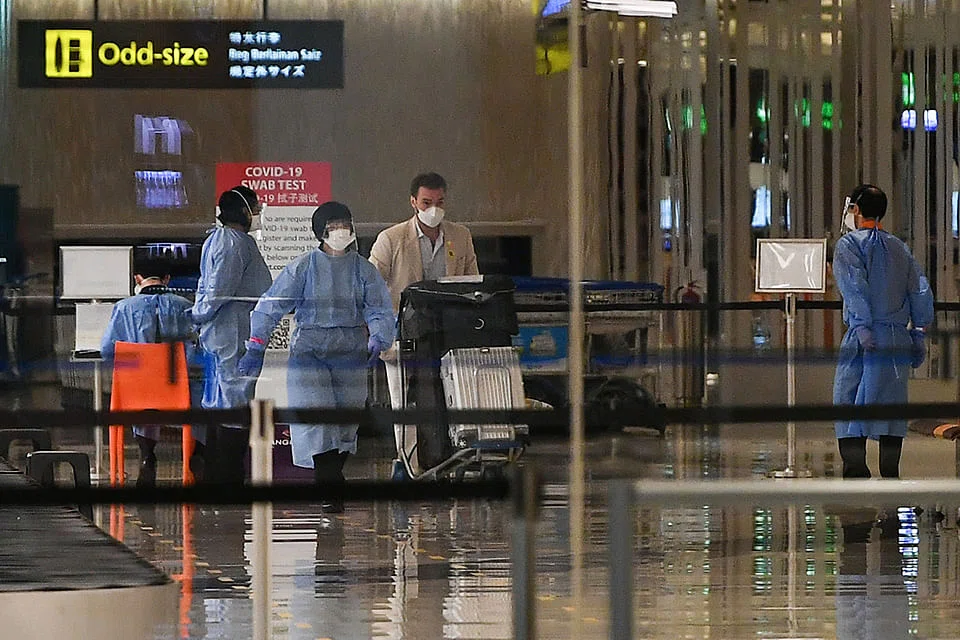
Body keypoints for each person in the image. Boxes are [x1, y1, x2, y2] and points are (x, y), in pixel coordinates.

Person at [238, 201, 394, 513]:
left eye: (345, 225)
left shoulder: (364, 270)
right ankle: (330, 484)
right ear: (319, 232)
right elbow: (271, 305)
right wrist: (256, 344)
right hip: (310, 352)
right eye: (334, 227)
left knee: (345, 425)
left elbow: (379, 308)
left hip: (351, 350)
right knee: (318, 418)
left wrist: (379, 336)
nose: (341, 232)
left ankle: (331, 478)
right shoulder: (303, 268)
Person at [368, 172, 479, 470]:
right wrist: (378, 330)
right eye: (427, 202)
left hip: (446, 334)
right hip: (403, 334)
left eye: (440, 202)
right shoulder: (391, 239)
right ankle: (409, 464)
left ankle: (451, 460)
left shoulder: (460, 236)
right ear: (413, 202)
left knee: (451, 397)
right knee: (404, 402)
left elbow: (472, 283)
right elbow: (369, 286)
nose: (434, 209)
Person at [832, 184, 934, 479]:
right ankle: (890, 475)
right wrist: (918, 332)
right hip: (897, 340)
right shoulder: (899, 248)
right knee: (891, 408)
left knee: (849, 403)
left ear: (856, 210)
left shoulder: (849, 246)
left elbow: (854, 289)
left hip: (864, 339)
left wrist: (862, 325)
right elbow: (920, 290)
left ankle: (855, 473)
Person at [190, 186, 272, 484]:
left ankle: (216, 476)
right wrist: (197, 316)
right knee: (233, 407)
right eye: (256, 209)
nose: (258, 214)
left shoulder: (220, 240)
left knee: (222, 404)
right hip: (231, 335)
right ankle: (227, 479)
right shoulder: (234, 244)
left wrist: (198, 318)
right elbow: (217, 292)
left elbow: (208, 289)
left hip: (223, 333)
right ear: (243, 212)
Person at [100, 253, 202, 487]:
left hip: (137, 393)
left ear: (137, 278)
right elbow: (198, 347)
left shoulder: (124, 308)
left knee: (142, 394)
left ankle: (147, 454)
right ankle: (195, 459)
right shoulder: (185, 306)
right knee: (198, 393)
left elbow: (107, 350)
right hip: (179, 392)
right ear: (167, 279)